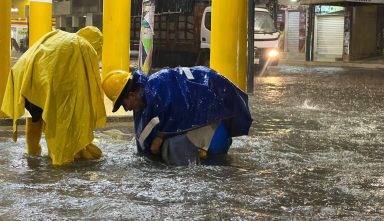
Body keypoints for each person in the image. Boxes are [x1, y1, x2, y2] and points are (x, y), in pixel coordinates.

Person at [102, 66, 252, 166]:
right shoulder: (149, 95)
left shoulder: (158, 90)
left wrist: (160, 137)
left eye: (123, 104)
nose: (125, 109)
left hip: (213, 131)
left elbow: (179, 113)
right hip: (212, 128)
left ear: (131, 95)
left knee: (172, 146)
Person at [1, 26, 106, 165]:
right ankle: (59, 162)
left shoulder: (59, 35)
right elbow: (90, 84)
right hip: (47, 82)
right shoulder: (85, 47)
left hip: (25, 76)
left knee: (35, 114)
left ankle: (32, 153)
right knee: (58, 120)